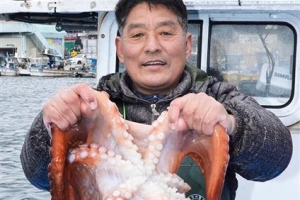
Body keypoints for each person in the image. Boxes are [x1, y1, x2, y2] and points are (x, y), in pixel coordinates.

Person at [20, 0, 293, 199]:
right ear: (120, 49)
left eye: (165, 32)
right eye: (138, 34)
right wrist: (50, 125)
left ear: (187, 45)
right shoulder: (90, 110)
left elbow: (274, 161)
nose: (152, 45)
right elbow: (38, 177)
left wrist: (232, 124)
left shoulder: (218, 98)